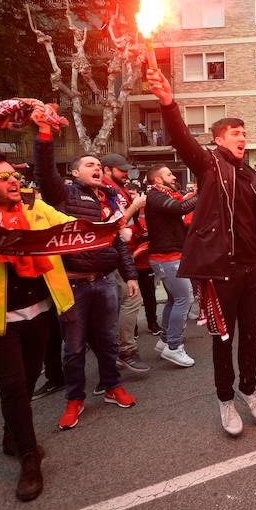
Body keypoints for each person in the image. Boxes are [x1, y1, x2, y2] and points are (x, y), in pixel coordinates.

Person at [147, 68, 256, 437]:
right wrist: (168, 103)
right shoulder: (210, 166)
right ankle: (225, 400)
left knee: (250, 336)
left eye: (245, 133)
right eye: (236, 133)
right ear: (219, 139)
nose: (243, 138)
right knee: (224, 339)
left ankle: (249, 391)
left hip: (253, 269)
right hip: (222, 271)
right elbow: (182, 138)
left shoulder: (252, 176)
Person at [0, 152, 78, 501]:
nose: (14, 181)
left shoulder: (34, 208)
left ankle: (11, 434)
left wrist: (105, 231)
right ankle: (29, 458)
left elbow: (68, 228)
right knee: (13, 388)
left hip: (39, 311)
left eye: (15, 175)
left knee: (28, 379)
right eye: (3, 177)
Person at [34, 118, 139, 431]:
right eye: (89, 164)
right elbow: (43, 170)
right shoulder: (63, 196)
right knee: (74, 347)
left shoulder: (108, 200)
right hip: (74, 285)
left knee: (107, 342)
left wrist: (130, 275)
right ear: (74, 173)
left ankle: (111, 387)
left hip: (106, 283)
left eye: (98, 164)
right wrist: (44, 133)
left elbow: (119, 242)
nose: (96, 167)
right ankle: (74, 399)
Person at [145, 165, 199, 367]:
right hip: (167, 257)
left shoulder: (162, 195)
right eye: (168, 174)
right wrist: (203, 194)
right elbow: (180, 208)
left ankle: (165, 340)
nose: (173, 177)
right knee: (185, 299)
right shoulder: (156, 197)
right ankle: (174, 347)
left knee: (173, 299)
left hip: (170, 256)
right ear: (157, 180)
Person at [101, 153, 150, 373]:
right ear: (107, 170)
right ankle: (125, 350)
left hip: (123, 253)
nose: (126, 174)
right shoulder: (103, 190)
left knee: (121, 302)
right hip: (113, 255)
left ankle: (116, 351)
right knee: (131, 299)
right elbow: (114, 225)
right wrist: (136, 205)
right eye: (121, 170)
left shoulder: (115, 190)